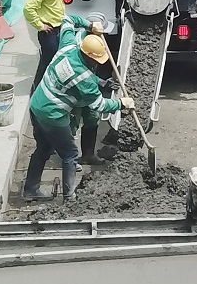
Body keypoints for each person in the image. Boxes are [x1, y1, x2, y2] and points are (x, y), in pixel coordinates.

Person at [23, 15, 135, 200]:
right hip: (52, 114)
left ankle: (30, 190)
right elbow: (99, 105)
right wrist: (121, 104)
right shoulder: (84, 79)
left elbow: (67, 19)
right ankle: (70, 197)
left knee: (43, 148)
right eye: (96, 60)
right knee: (70, 153)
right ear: (89, 57)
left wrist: (90, 25)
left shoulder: (68, 46)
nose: (98, 63)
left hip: (37, 103)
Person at [71, 11, 120, 165]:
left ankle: (88, 155)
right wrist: (119, 104)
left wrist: (102, 82)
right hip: (74, 87)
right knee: (71, 124)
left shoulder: (93, 40)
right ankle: (68, 160)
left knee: (92, 118)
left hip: (87, 82)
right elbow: (81, 74)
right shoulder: (77, 45)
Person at [23, 0, 76, 90]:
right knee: (48, 61)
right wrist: (41, 26)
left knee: (55, 60)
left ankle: (51, 88)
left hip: (57, 29)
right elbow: (28, 9)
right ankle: (37, 89)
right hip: (49, 32)